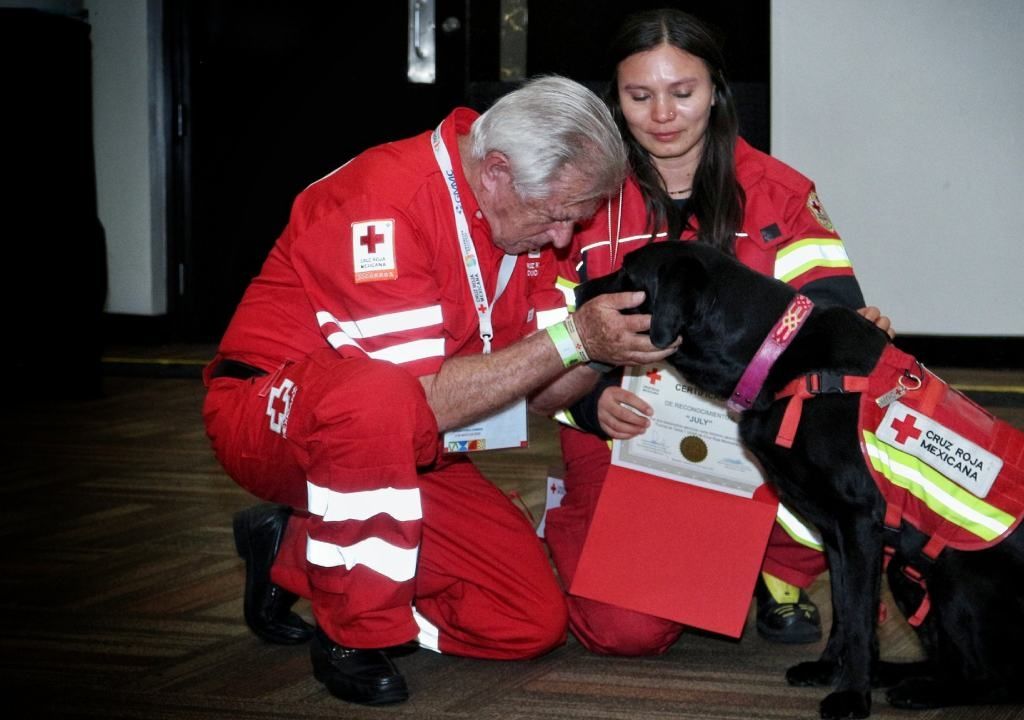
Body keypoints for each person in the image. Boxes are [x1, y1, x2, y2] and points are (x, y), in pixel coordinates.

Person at [202, 76, 677, 706]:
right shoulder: (384, 201)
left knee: (526, 622)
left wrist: (611, 346)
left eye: (577, 219)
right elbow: (414, 400)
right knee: (375, 397)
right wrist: (571, 339)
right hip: (272, 416)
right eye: (559, 216)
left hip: (403, 449)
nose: (565, 239)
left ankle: (288, 546)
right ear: (497, 171)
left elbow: (541, 393)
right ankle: (352, 633)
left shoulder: (523, 223)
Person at [537, 9, 893, 656]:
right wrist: (592, 404)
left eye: (684, 92)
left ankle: (778, 569)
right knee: (626, 631)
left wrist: (857, 331)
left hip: (750, 435)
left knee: (842, 456)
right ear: (613, 100)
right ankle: (565, 521)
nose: (663, 115)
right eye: (639, 96)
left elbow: (830, 313)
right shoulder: (577, 198)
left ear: (717, 92)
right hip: (627, 436)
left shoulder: (779, 192)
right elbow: (537, 347)